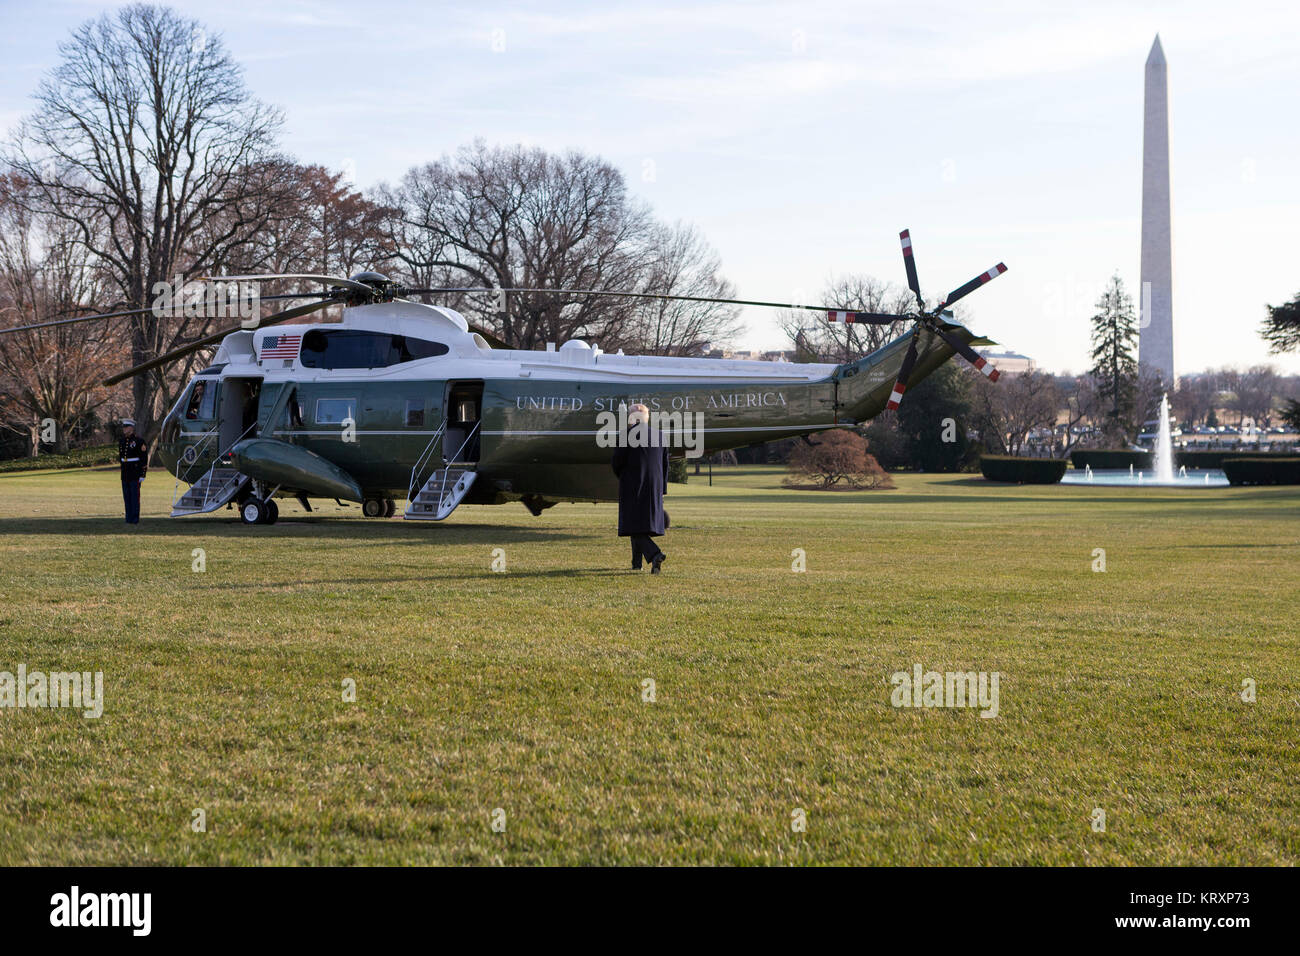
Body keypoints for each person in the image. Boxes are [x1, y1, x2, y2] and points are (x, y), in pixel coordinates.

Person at [611, 404, 670, 573]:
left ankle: (654, 554)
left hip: (633, 485)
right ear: (647, 418)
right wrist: (662, 489)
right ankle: (636, 563)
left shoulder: (626, 435)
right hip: (655, 487)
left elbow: (617, 463)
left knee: (633, 524)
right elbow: (665, 465)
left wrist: (622, 477)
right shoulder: (660, 436)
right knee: (638, 524)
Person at [118, 418, 148, 525]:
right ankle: (128, 518)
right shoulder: (122, 441)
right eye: (124, 427)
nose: (124, 429)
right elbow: (121, 457)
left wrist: (142, 474)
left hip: (135, 472)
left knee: (134, 497)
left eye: (126, 427)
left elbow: (143, 459)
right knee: (126, 496)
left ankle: (135, 518)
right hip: (125, 472)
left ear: (131, 428)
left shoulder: (139, 441)